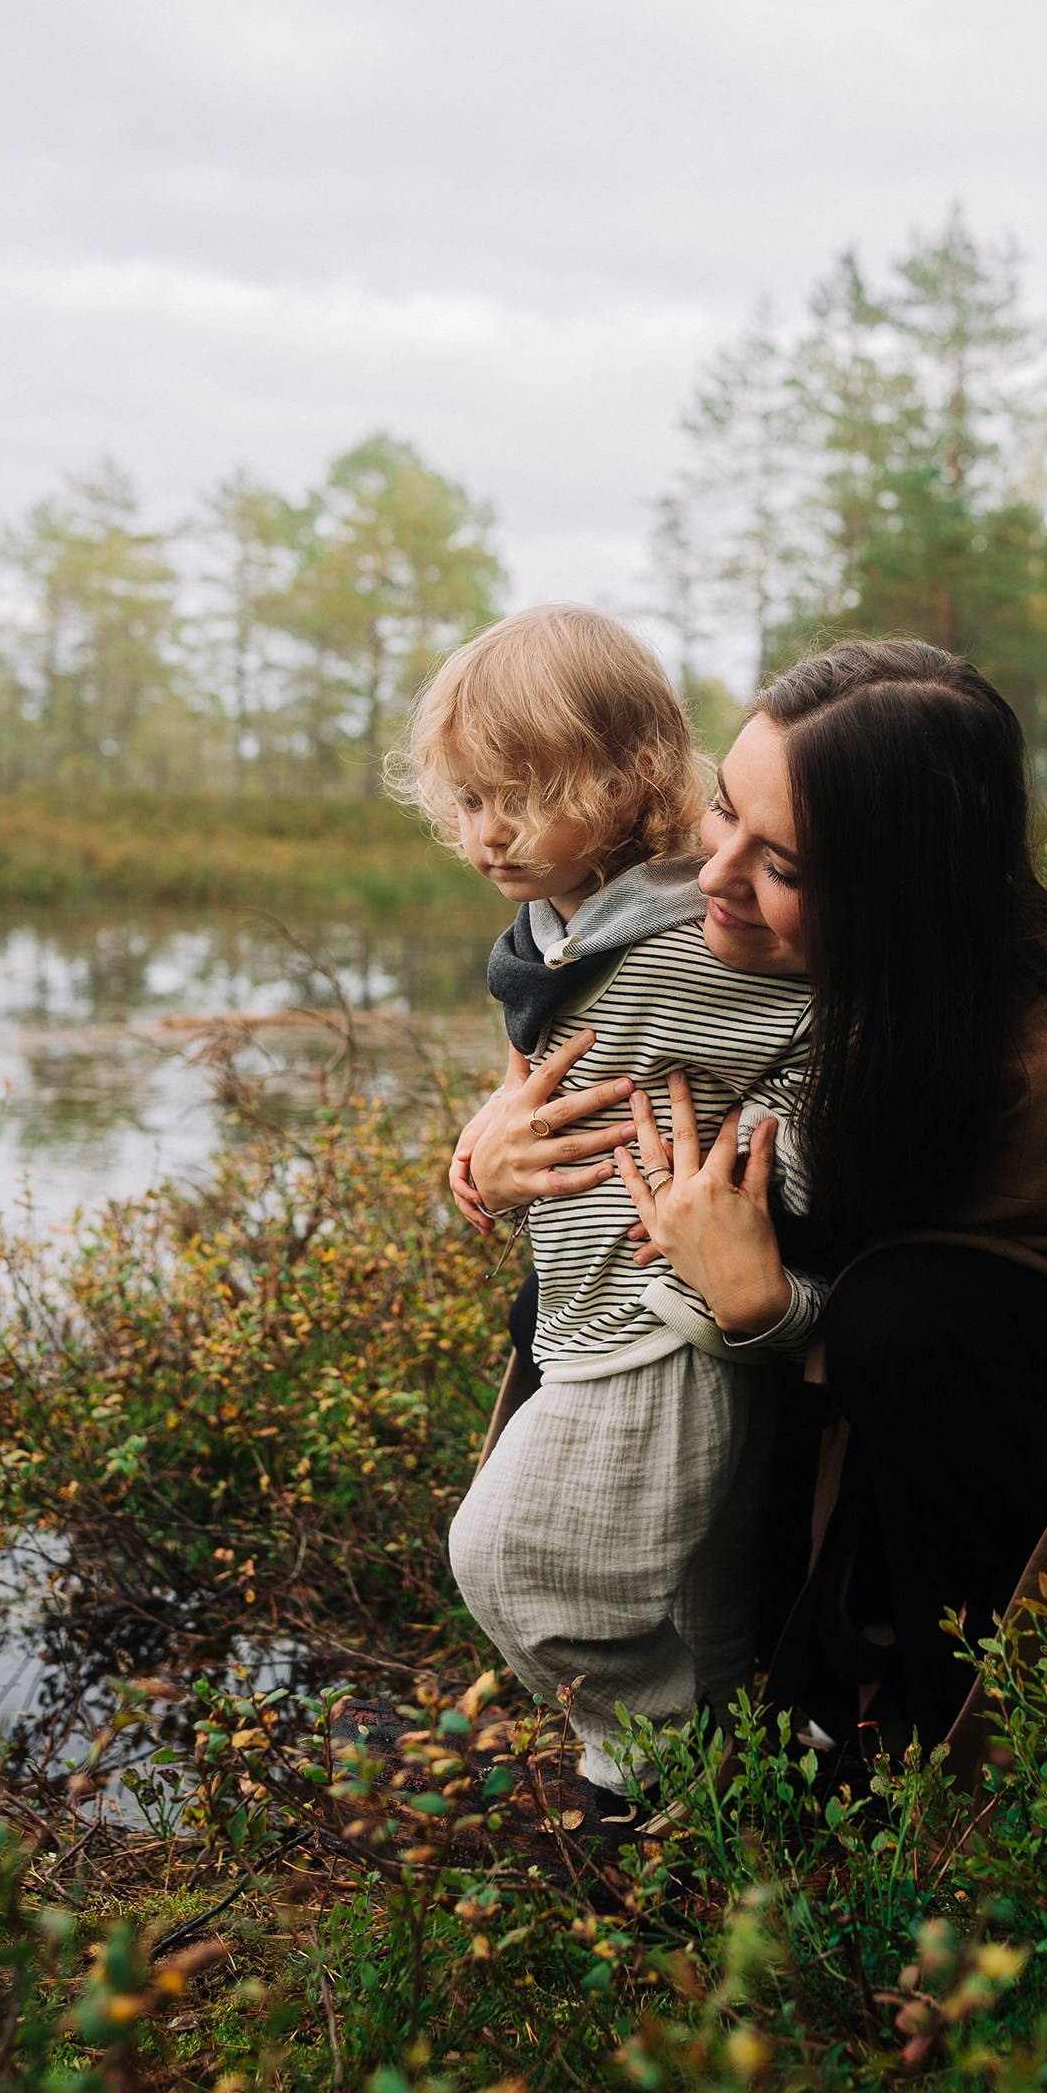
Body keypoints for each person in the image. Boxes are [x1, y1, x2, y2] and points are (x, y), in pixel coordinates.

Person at [610, 640, 1047, 1773]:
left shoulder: (1032, 1079)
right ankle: (722, 1685)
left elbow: (900, 1303)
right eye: (721, 812)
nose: (716, 876)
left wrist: (763, 1306)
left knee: (898, 1326)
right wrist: (501, 1150)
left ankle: (951, 1723)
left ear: (900, 887)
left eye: (785, 865)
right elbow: (596, 1030)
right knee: (634, 1273)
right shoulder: (831, 943)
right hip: (967, 1276)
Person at [400, 604, 820, 1826]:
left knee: (514, 1558)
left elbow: (833, 1044)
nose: (488, 832)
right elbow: (580, 1067)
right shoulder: (565, 925)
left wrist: (751, 1167)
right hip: (588, 1304)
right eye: (468, 800)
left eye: (523, 795)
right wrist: (485, 1152)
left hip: (664, 1311)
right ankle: (713, 1816)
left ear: (628, 773)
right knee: (701, 1595)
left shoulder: (701, 933)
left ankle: (655, 1758)